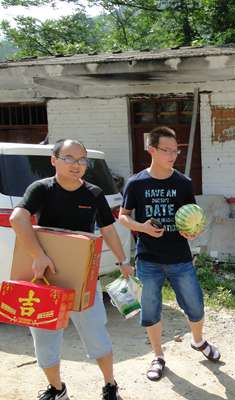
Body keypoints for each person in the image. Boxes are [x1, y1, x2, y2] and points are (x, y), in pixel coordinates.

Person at [10, 139, 132, 400]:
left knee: (96, 333)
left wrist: (123, 261)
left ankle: (110, 385)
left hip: (82, 276)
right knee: (44, 336)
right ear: (54, 160)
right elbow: (17, 218)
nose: (76, 165)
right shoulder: (41, 189)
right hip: (45, 276)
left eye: (81, 160)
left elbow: (108, 230)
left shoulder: (94, 193)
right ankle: (57, 390)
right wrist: (38, 255)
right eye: (69, 158)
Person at [118, 126, 220, 381]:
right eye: (167, 150)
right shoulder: (136, 183)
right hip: (148, 259)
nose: (173, 156)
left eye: (176, 151)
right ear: (152, 150)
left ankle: (198, 340)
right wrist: (142, 228)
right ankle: (158, 356)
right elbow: (123, 216)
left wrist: (193, 232)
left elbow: (193, 217)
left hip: (180, 258)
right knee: (150, 310)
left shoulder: (183, 183)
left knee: (195, 305)